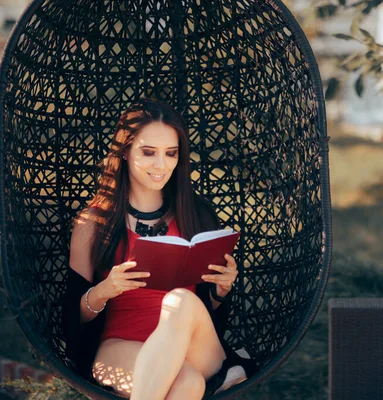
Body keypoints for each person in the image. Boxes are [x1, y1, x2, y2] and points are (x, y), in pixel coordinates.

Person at [61, 98, 257, 399]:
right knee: (188, 385)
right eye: (148, 152)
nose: (161, 165)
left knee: (180, 301)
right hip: (121, 345)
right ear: (125, 152)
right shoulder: (95, 222)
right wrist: (106, 288)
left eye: (171, 153)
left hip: (196, 346)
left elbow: (210, 311)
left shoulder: (196, 213)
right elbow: (73, 317)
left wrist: (220, 291)